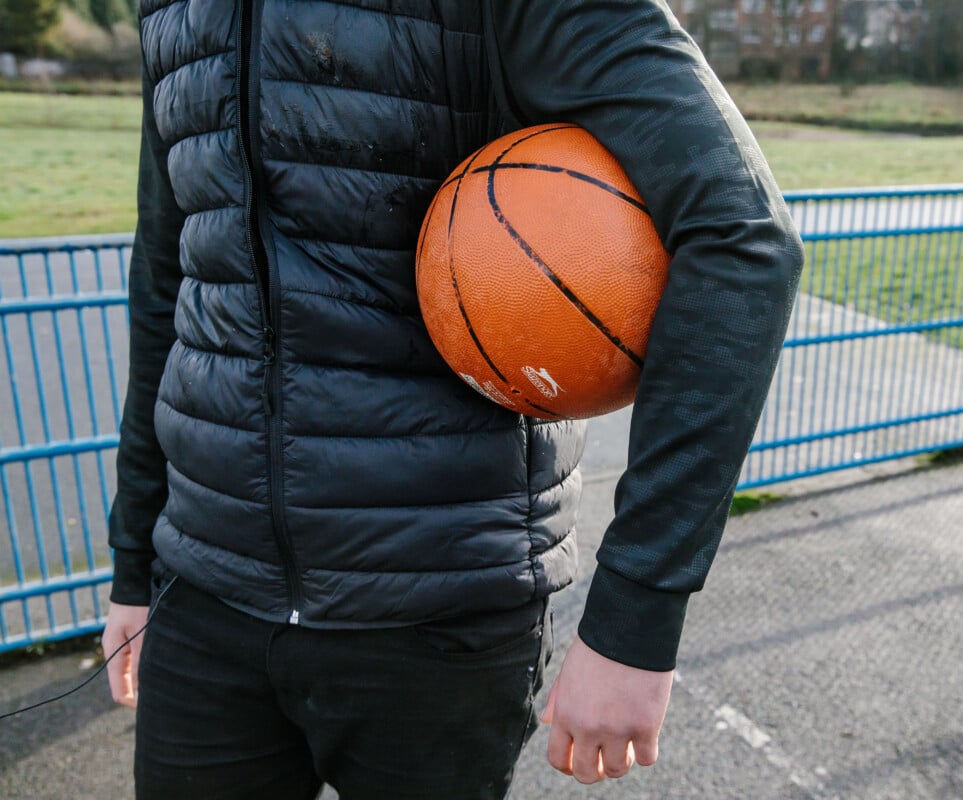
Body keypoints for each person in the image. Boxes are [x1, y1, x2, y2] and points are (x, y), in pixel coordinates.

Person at [101, 1, 804, 797]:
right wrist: (134, 564)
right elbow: (170, 280)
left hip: (440, 608)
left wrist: (635, 621)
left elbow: (741, 231)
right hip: (202, 593)